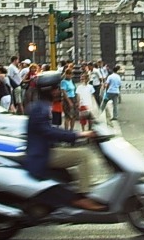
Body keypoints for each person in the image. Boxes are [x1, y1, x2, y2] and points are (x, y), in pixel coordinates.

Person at [24, 71, 103, 211]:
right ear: (48, 90)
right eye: (56, 88)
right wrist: (78, 134)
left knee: (78, 155)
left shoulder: (44, 105)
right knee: (83, 155)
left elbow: (54, 130)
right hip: (42, 155)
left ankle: (79, 188)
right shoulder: (40, 108)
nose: (59, 91)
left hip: (47, 149)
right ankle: (82, 197)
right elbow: (49, 131)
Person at [60, 65, 79, 130]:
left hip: (73, 98)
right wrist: (69, 101)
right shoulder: (63, 82)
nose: (69, 75)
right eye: (68, 74)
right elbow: (64, 92)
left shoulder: (71, 81)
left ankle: (71, 129)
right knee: (68, 116)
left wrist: (77, 101)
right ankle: (66, 131)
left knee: (73, 116)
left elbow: (74, 90)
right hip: (67, 99)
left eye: (70, 74)